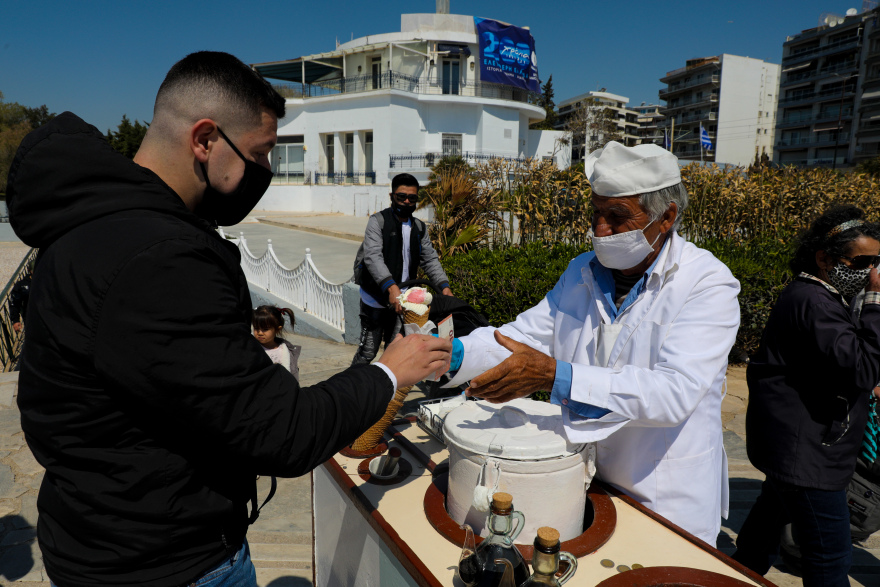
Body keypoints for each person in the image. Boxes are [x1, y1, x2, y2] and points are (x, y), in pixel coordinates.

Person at [5, 51, 451, 587]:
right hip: (167, 562)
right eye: (261, 153)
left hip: (92, 535)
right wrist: (389, 372)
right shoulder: (159, 259)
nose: (264, 171)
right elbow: (282, 433)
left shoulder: (90, 224)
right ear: (205, 140)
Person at [443, 141, 741, 546]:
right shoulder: (581, 270)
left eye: (617, 217)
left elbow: (674, 392)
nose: (600, 230)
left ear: (666, 216)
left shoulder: (705, 283)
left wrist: (557, 376)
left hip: (663, 494)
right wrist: (451, 352)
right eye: (596, 213)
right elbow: (524, 337)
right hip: (588, 479)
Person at [731, 205, 880, 586]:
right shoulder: (814, 302)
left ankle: (735, 576)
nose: (872, 272)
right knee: (830, 554)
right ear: (825, 259)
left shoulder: (819, 296)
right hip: (808, 455)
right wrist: (877, 304)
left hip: (794, 446)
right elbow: (862, 369)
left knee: (764, 530)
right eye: (863, 261)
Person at [351, 172, 453, 366]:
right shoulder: (378, 222)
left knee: (394, 352)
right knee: (368, 352)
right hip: (375, 297)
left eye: (412, 198)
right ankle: (348, 390)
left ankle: (386, 393)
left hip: (403, 301)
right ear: (392, 196)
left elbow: (430, 259)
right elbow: (373, 257)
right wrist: (391, 287)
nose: (406, 201)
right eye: (401, 197)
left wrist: (444, 286)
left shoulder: (419, 228)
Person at [252, 305, 301, 382]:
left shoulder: (284, 351)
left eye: (265, 329)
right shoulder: (251, 348)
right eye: (256, 328)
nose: (260, 333)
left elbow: (289, 376)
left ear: (277, 329)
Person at [9, 258, 33, 332]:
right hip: (31, 320)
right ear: (29, 271)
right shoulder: (21, 285)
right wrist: (15, 320)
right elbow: (14, 303)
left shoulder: (49, 281)